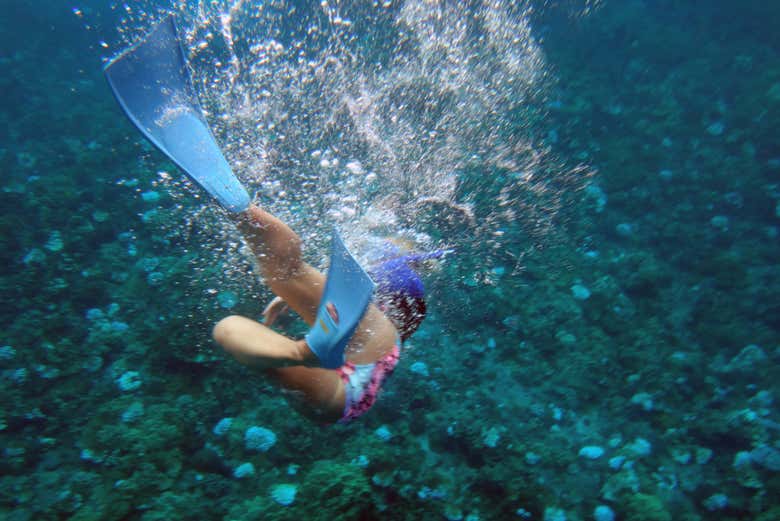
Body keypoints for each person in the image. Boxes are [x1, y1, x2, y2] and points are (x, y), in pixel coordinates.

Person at [211, 205, 432, 423]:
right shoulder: (404, 289)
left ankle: (240, 209)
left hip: (361, 368)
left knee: (284, 274)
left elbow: (356, 286)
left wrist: (296, 294)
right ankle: (302, 353)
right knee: (230, 327)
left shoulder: (394, 274)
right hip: (361, 376)